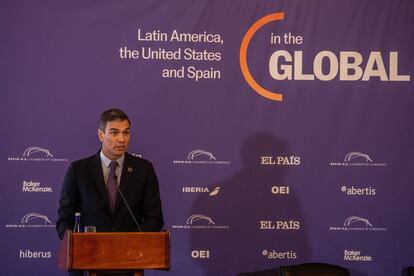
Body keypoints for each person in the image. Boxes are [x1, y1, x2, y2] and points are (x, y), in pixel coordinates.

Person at [56, 108, 164, 240]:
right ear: (101, 135)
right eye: (114, 133)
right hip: (89, 253)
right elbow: (64, 219)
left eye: (126, 133)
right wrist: (73, 242)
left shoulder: (144, 169)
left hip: (131, 253)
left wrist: (125, 241)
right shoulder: (79, 170)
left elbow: (154, 219)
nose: (122, 139)